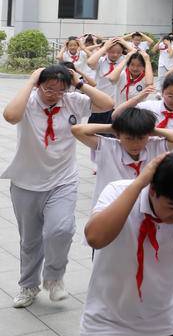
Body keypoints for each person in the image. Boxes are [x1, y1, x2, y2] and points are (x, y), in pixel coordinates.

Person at [81, 153, 173, 336]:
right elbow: (95, 238)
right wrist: (139, 183)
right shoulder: (117, 191)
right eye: (172, 206)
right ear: (152, 190)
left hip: (165, 325)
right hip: (106, 323)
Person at [2, 65, 114, 307]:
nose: (53, 94)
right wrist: (31, 80)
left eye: (60, 90)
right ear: (39, 85)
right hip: (26, 182)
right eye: (48, 89)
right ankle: (28, 286)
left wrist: (80, 83)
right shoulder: (30, 100)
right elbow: (10, 116)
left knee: (60, 230)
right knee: (30, 241)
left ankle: (54, 278)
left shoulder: (73, 100)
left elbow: (107, 104)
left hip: (62, 179)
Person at [71, 107, 173, 204]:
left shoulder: (154, 145)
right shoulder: (108, 146)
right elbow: (77, 130)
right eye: (129, 138)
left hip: (144, 207)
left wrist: (150, 130)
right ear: (118, 135)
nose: (135, 144)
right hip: (110, 207)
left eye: (141, 138)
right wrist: (115, 128)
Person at [87, 38, 127, 123]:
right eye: (112, 52)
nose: (115, 55)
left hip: (116, 104)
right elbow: (90, 63)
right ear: (107, 50)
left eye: (119, 52)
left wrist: (124, 43)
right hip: (100, 102)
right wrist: (104, 48)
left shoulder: (125, 61)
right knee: (95, 128)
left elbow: (135, 53)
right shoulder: (101, 61)